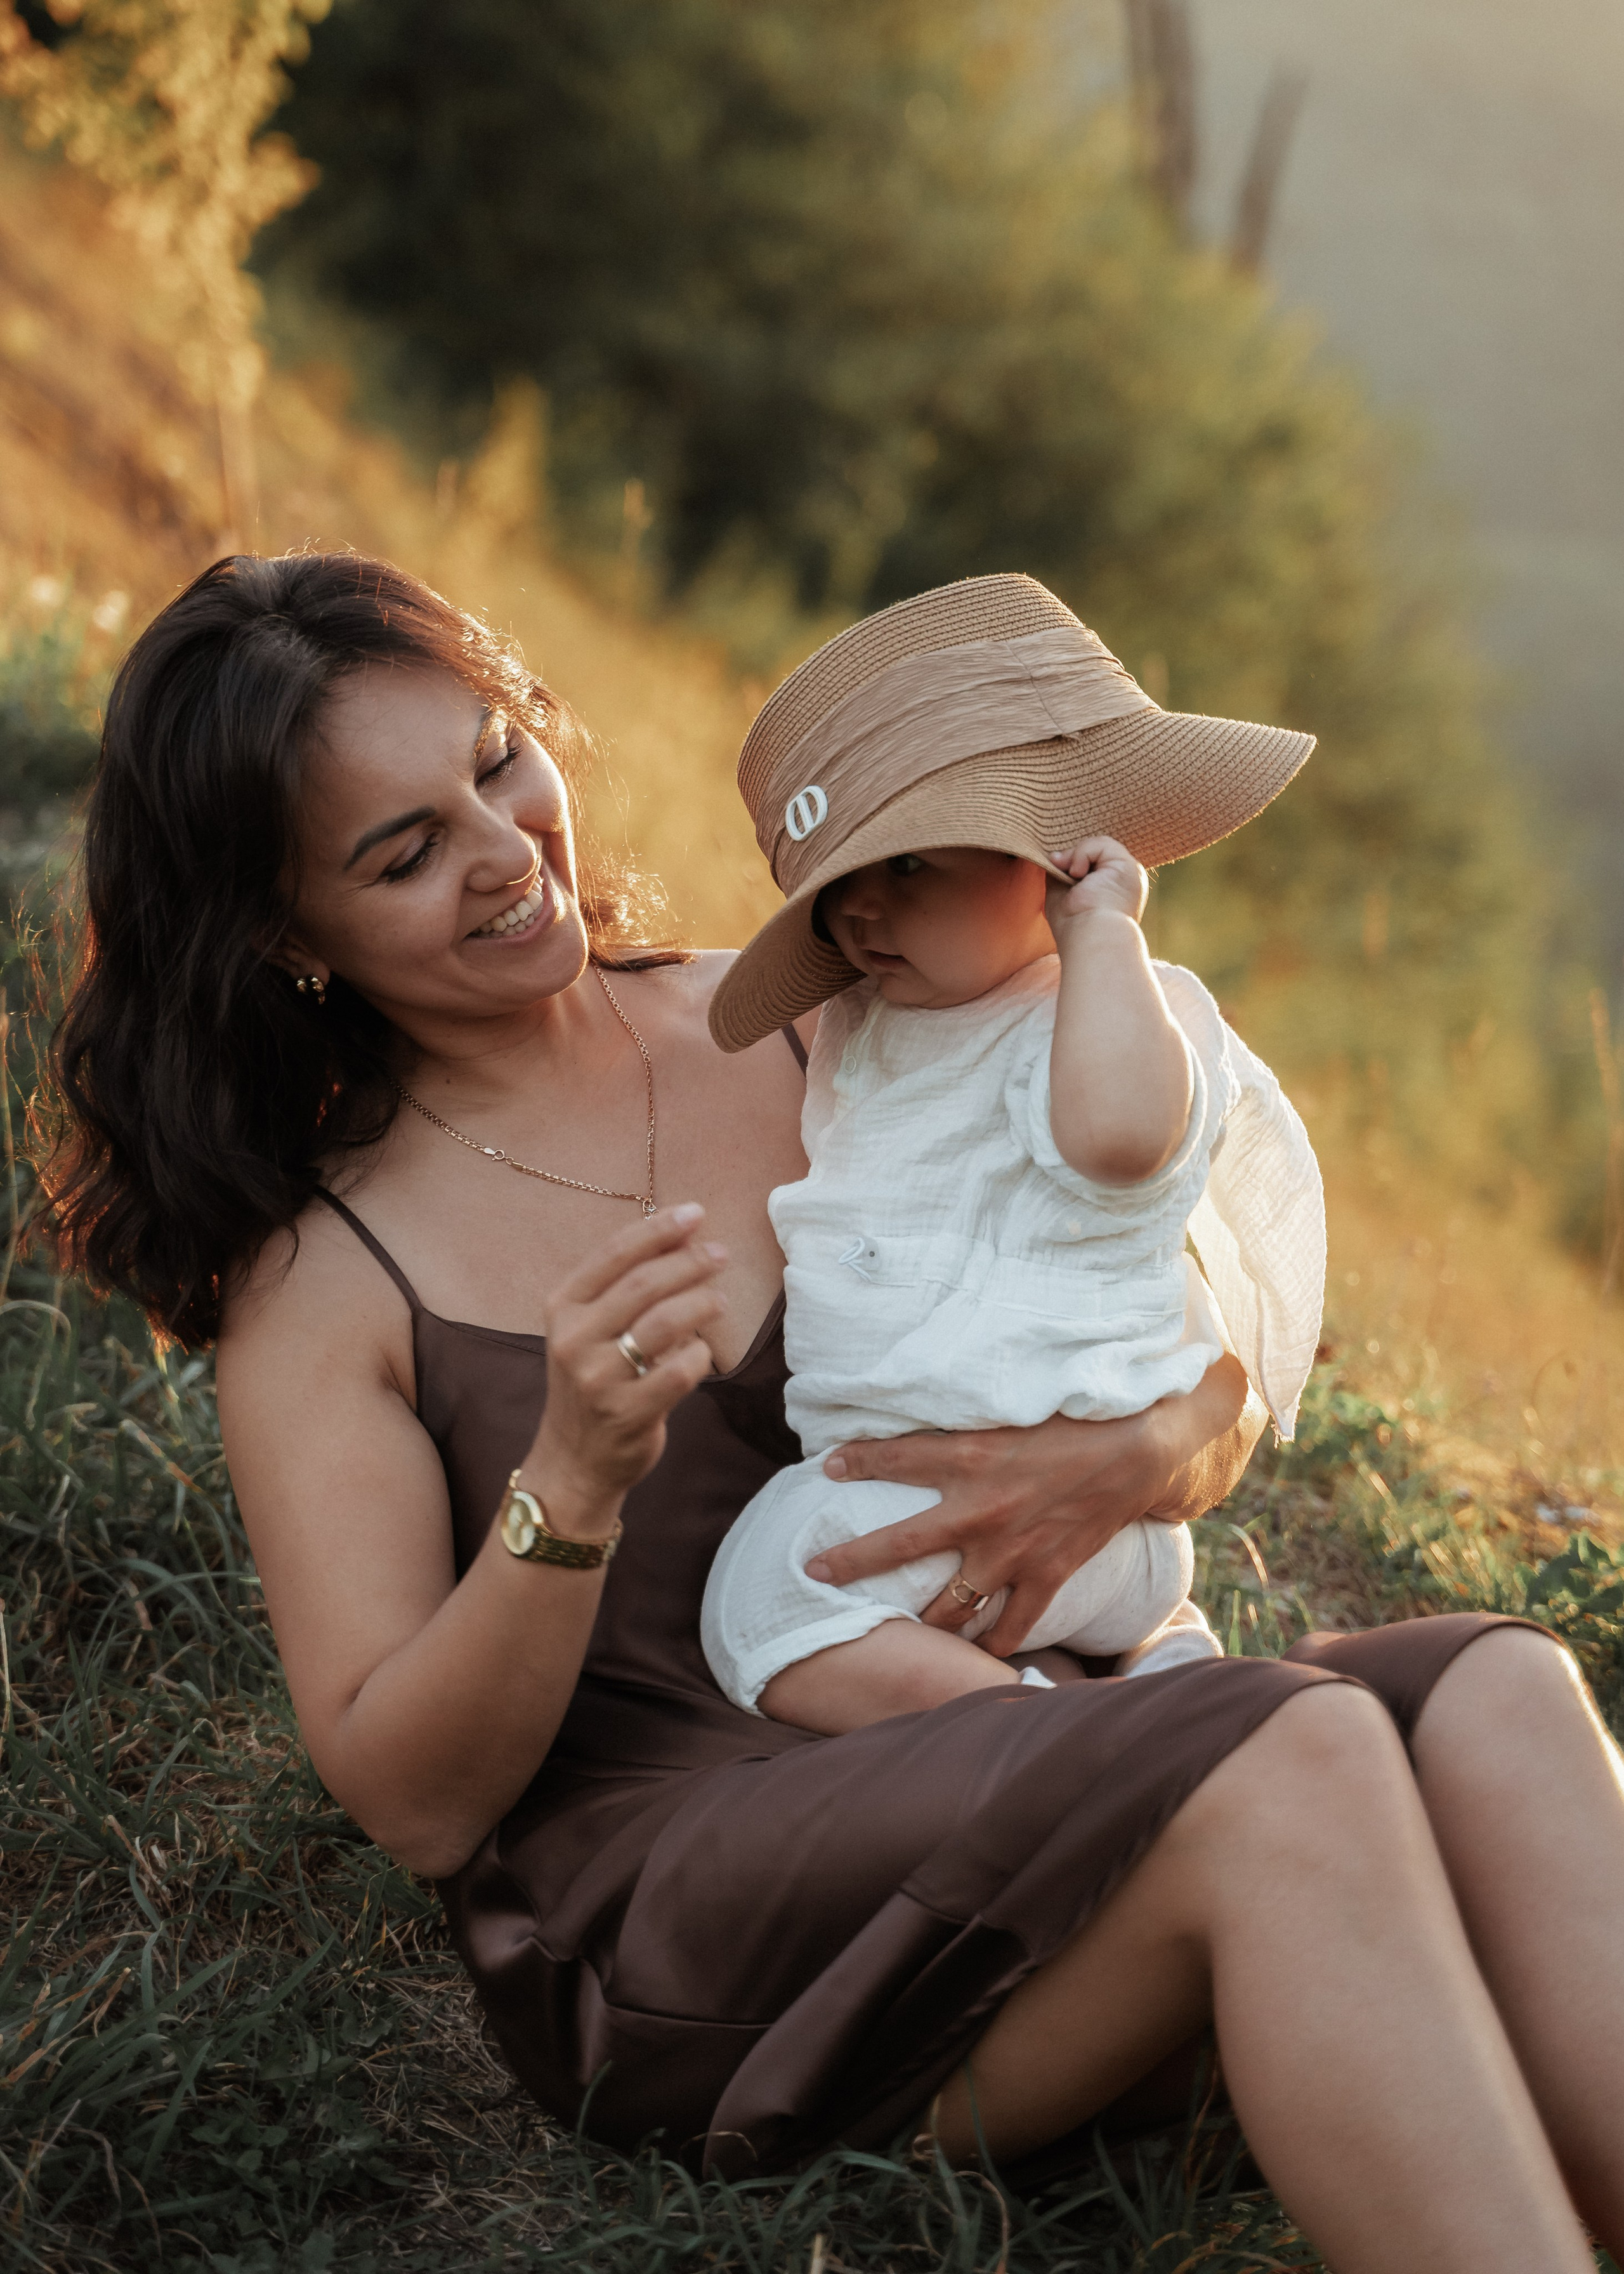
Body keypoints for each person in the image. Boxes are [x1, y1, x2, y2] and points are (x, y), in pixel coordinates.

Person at [40, 551, 1624, 2274]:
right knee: (1290, 1744)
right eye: (404, 852)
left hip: (1033, 1744)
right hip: (699, 1892)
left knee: (1495, 1691)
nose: (503, 848)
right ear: (287, 935)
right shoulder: (327, 1280)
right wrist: (571, 1485)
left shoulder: (844, 1028)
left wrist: (1157, 1447)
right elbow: (413, 1801)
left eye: (498, 760)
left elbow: (1172, 1310)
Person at [698, 578, 1325, 1732]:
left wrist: (1104, 933)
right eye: (839, 886)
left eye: (909, 866)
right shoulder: (874, 1026)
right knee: (805, 1573)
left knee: (765, 1600)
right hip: (980, 1516)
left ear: (1059, 859)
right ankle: (1154, 1669)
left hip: (1081, 1502)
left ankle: (1054, 1741)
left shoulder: (1100, 1014)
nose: (862, 913)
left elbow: (1122, 1142)